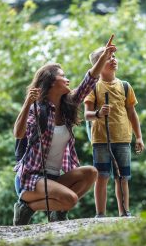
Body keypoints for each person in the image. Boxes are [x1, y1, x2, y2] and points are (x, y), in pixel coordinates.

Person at [13, 36, 117, 226]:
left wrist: (104, 55)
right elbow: (18, 134)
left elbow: (90, 80)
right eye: (63, 75)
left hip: (54, 178)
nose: (68, 79)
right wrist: (27, 104)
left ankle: (51, 209)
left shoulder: (68, 106)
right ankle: (27, 206)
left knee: (91, 173)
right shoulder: (39, 110)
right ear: (51, 82)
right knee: (70, 200)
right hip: (31, 180)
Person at [84, 46, 144, 217]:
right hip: (101, 139)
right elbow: (87, 115)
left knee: (123, 177)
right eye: (108, 58)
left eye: (114, 56)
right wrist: (98, 113)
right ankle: (100, 214)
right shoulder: (93, 87)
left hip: (123, 138)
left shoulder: (125, 86)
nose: (113, 60)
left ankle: (124, 212)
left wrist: (138, 136)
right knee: (102, 176)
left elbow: (132, 113)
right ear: (99, 64)